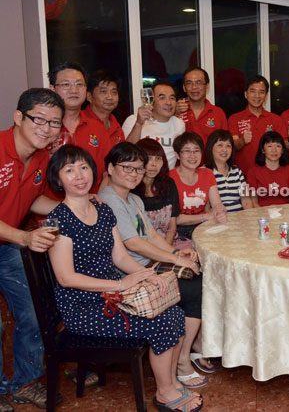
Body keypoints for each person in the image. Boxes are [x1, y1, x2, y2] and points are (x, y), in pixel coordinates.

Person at [46, 145, 203, 411]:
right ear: (58, 179)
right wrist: (120, 284)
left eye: (83, 167)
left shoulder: (104, 211)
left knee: (174, 312)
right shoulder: (59, 219)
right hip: (85, 309)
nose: (79, 175)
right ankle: (165, 393)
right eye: (69, 170)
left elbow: (120, 258)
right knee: (162, 322)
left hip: (113, 297)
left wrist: (144, 275)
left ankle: (172, 382)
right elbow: (65, 278)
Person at [98, 142, 211, 391]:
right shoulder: (109, 199)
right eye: (127, 167)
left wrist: (175, 251)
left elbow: (150, 234)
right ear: (110, 168)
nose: (134, 173)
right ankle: (182, 362)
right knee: (194, 289)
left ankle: (185, 353)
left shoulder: (133, 198)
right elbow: (134, 244)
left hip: (147, 264)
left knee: (197, 276)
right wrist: (174, 259)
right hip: (127, 274)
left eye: (138, 169)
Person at [0, 88, 63, 409]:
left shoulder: (40, 157)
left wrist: (66, 208)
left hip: (5, 242)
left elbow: (31, 198)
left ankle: (25, 382)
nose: (47, 128)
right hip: (13, 238)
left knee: (35, 312)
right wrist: (24, 238)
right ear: (18, 117)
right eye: (39, 119)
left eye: (55, 122)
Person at [48, 62, 113, 193]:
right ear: (52, 89)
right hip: (51, 208)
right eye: (66, 84)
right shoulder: (43, 128)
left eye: (79, 84)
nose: (74, 90)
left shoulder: (97, 127)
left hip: (91, 207)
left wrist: (97, 205)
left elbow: (108, 172)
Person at [169, 132, 227, 239]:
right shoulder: (169, 178)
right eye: (187, 151)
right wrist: (206, 216)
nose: (193, 156)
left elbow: (217, 205)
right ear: (177, 155)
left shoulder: (207, 174)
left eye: (196, 151)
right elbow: (174, 219)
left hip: (204, 227)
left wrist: (220, 211)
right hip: (178, 232)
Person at [228, 75, 288, 174]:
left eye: (261, 92)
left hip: (270, 175)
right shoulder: (234, 119)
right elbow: (233, 145)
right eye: (253, 91)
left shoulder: (276, 119)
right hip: (242, 175)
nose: (257, 96)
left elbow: (283, 147)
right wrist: (243, 140)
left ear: (266, 95)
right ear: (245, 94)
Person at [122, 80, 186, 169]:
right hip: (137, 177)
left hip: (165, 179)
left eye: (172, 98)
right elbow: (125, 154)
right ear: (151, 100)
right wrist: (139, 124)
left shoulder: (179, 125)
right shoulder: (133, 120)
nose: (168, 102)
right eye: (162, 97)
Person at [132, 139, 180, 245]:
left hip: (168, 243)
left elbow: (172, 225)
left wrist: (167, 251)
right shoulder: (131, 190)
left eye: (158, 158)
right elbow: (139, 231)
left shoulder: (169, 184)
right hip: (142, 248)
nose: (154, 164)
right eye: (148, 159)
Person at [176, 66, 228, 145]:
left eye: (198, 82)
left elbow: (225, 144)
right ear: (184, 87)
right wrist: (173, 113)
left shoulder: (218, 113)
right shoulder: (175, 111)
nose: (194, 87)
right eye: (189, 83)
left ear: (207, 87)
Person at [246, 131, 289, 207]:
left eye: (278, 146)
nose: (274, 150)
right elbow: (254, 202)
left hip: (285, 212)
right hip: (262, 213)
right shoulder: (253, 171)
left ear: (283, 150)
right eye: (269, 146)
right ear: (262, 150)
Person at [205, 129, 253, 212]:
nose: (224, 149)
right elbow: (206, 208)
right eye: (220, 145)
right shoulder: (204, 172)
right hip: (217, 220)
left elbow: (246, 201)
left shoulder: (237, 171)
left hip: (239, 219)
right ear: (211, 147)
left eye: (228, 146)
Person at [83, 69, 125, 145]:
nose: (110, 97)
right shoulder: (80, 122)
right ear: (89, 96)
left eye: (114, 92)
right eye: (103, 92)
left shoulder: (116, 127)